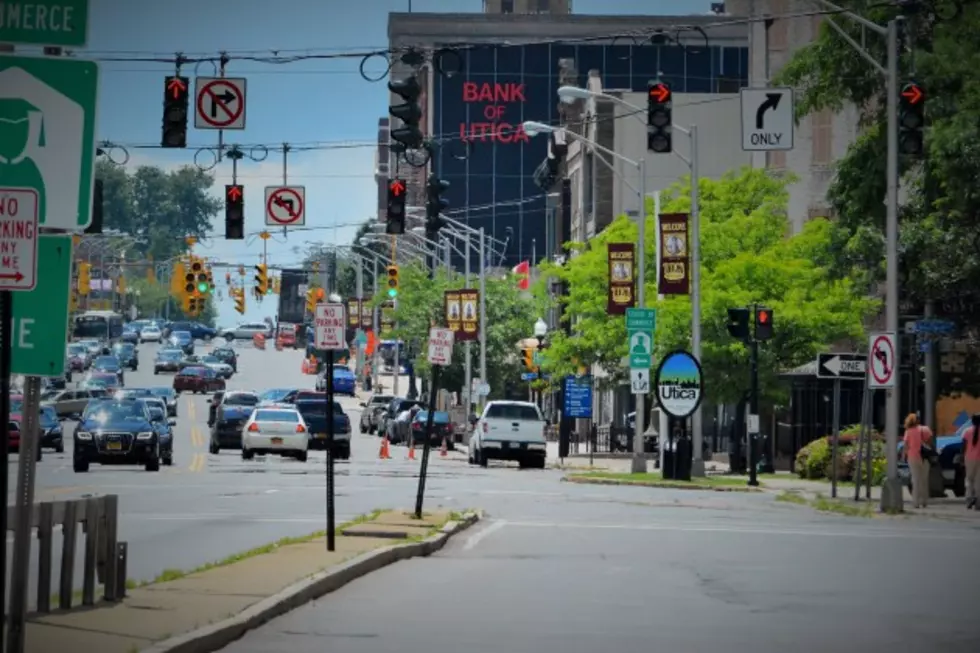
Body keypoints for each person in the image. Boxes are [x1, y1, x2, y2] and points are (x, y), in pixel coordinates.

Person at [902, 413, 933, 508]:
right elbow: (930, 442)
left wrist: (904, 456)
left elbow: (906, 445)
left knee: (915, 479)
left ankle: (916, 502)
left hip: (912, 457)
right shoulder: (926, 429)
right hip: (925, 457)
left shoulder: (908, 431)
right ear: (919, 420)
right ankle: (924, 501)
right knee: (924, 479)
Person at [963, 413, 980, 510]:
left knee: (969, 479)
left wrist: (962, 456)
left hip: (969, 458)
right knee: (979, 481)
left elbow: (964, 446)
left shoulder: (967, 431)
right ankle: (978, 502)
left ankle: (969, 499)